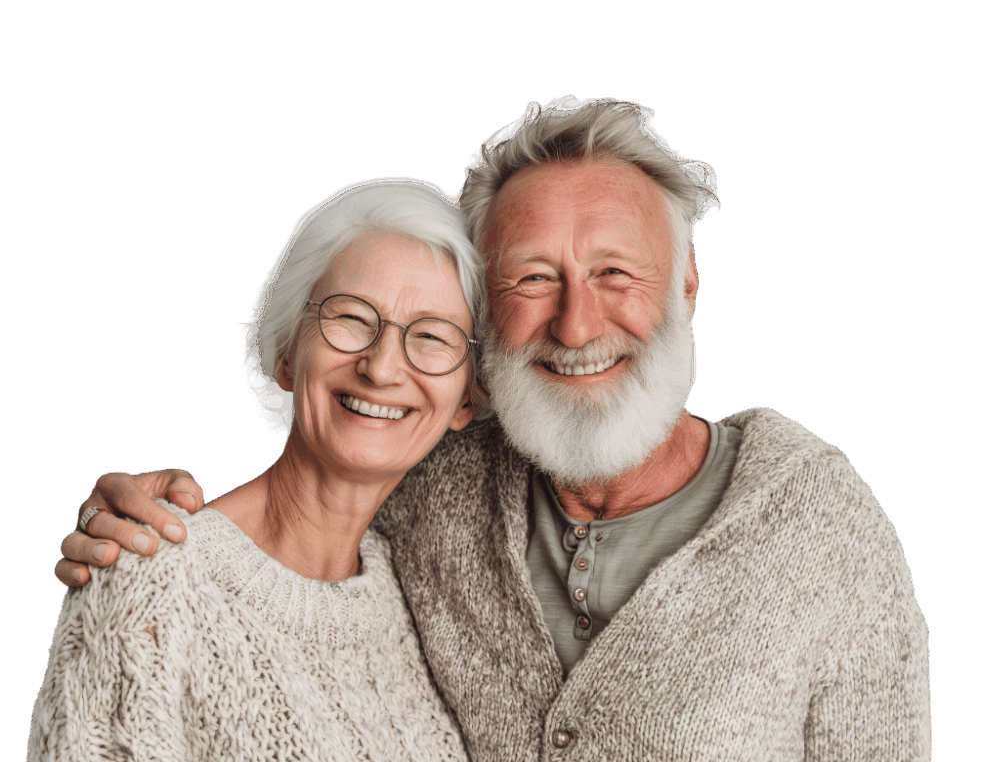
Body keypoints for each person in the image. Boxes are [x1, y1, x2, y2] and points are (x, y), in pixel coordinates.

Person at [55, 97, 931, 761]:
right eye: (532, 279)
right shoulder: (433, 487)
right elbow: (286, 540)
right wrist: (145, 525)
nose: (578, 325)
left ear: (686, 285)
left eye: (616, 272)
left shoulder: (822, 533)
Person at [30, 179, 484, 761]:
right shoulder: (152, 574)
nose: (382, 367)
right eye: (350, 318)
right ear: (288, 351)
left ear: (466, 401)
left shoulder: (415, 592)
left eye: (432, 337)